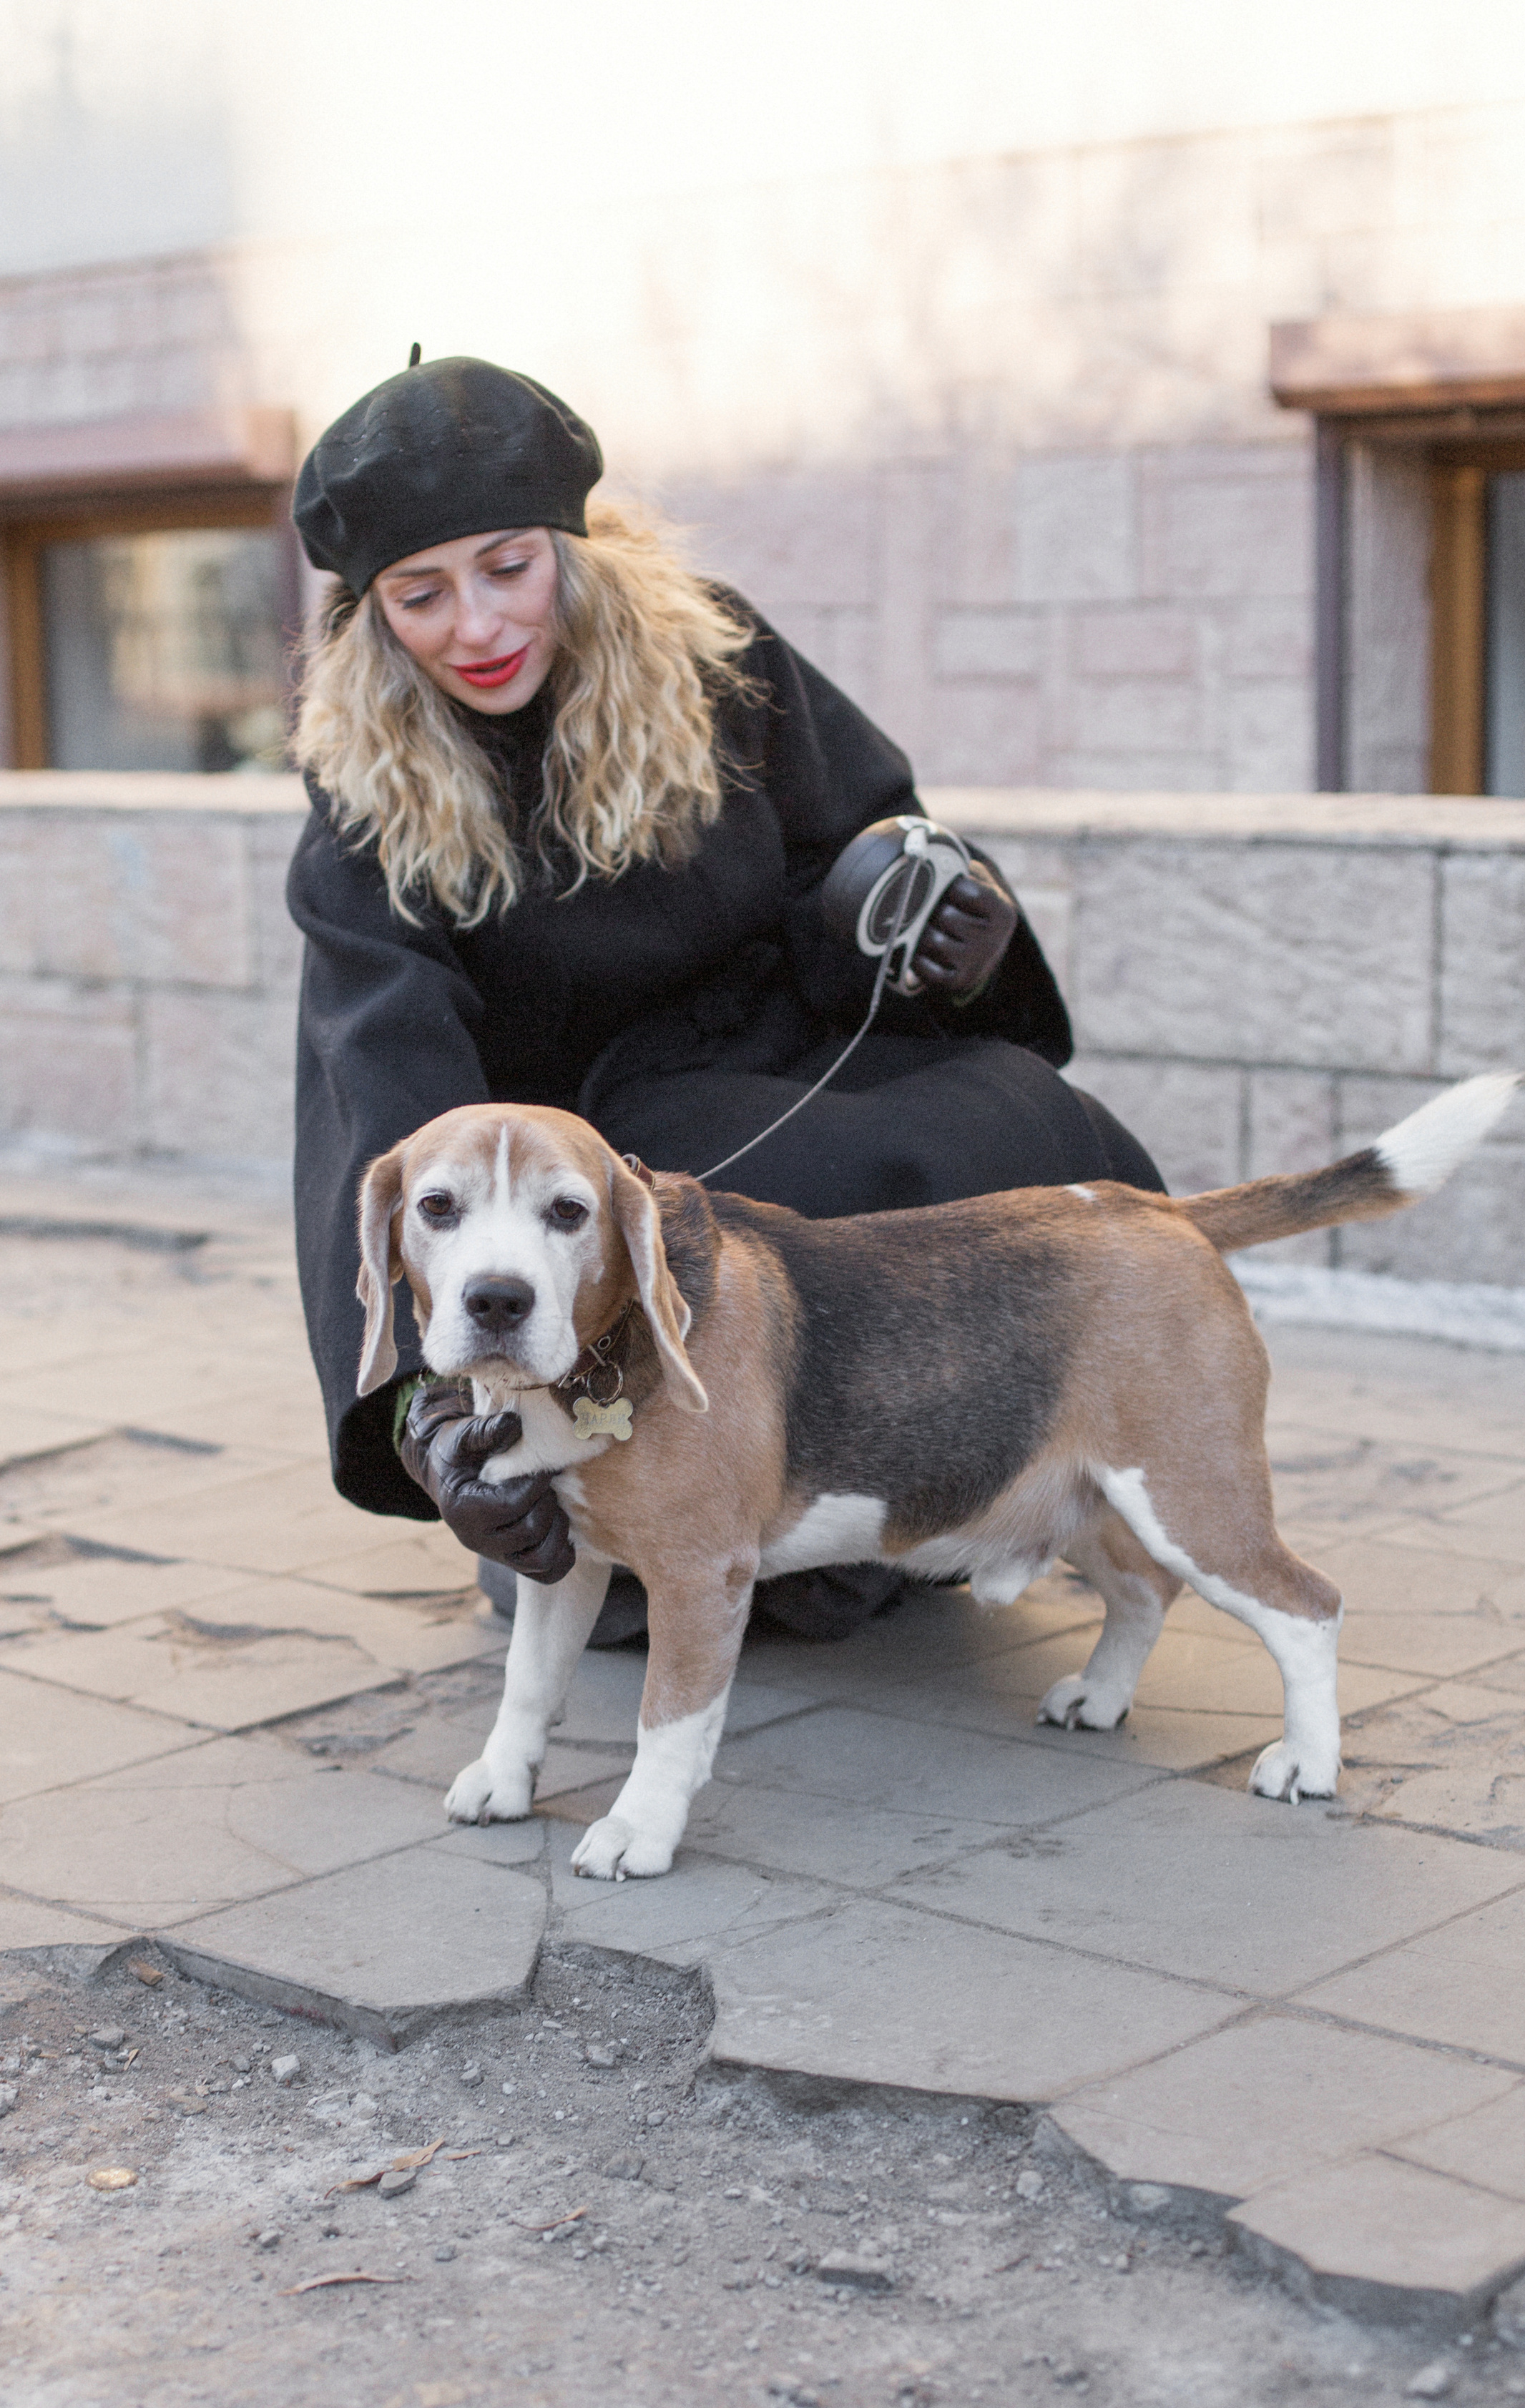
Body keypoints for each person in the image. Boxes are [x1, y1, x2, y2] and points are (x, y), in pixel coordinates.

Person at [286, 354, 1162, 1638]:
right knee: (742, 1199)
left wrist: (939, 927)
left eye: (509, 568)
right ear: (372, 615)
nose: (475, 625)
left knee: (1024, 1120)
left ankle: (958, 1483)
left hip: (792, 1051)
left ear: (572, 547)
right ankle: (726, 1521)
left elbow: (856, 851)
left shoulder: (718, 656)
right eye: (421, 595)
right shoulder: (367, 798)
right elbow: (385, 1096)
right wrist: (430, 1425)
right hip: (592, 1139)